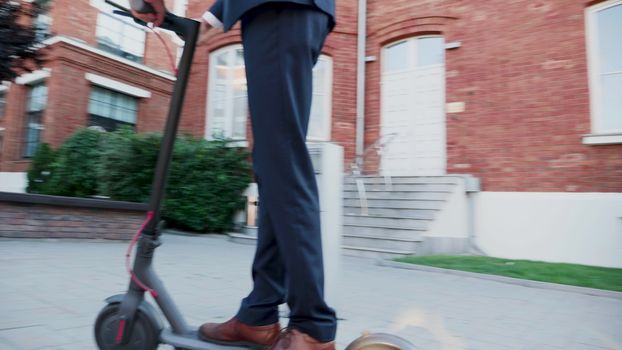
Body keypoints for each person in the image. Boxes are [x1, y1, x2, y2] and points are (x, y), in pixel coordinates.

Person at [132, 1, 337, 349]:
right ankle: (259, 313)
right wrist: (208, 20)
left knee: (283, 167)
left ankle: (313, 327)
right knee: (273, 169)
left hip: (278, 11)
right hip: (285, 14)